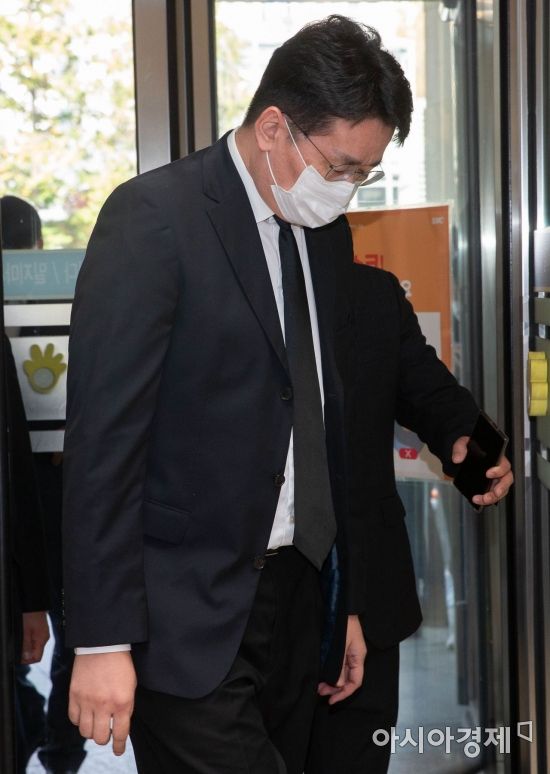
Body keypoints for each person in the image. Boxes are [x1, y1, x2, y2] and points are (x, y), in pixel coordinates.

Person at [62, 15, 513, 774]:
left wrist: (345, 600)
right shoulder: (154, 220)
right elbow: (103, 445)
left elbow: (323, 424)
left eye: (364, 174)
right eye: (340, 166)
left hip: (300, 603)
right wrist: (101, 640)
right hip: (185, 612)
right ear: (274, 127)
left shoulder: (321, 234)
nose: (346, 190)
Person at [304, 263, 513, 774]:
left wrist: (463, 438)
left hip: (368, 585)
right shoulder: (218, 282)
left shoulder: (373, 293)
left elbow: (428, 391)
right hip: (249, 608)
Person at [1, 194, 87, 774]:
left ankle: (33, 724)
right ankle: (56, 745)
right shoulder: (60, 306)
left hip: (30, 490)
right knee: (69, 627)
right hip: (54, 489)